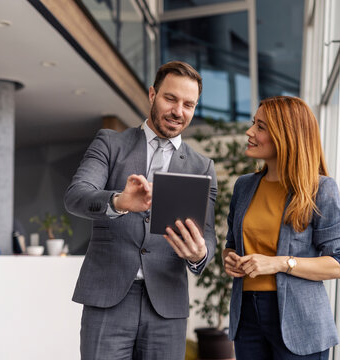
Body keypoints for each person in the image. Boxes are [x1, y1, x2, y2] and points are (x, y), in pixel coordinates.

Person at [64, 60, 217, 360]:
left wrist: (199, 254)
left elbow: (207, 237)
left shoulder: (202, 167)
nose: (178, 111)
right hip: (108, 299)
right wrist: (119, 202)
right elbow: (76, 196)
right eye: (170, 98)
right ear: (152, 95)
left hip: (166, 307)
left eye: (188, 104)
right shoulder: (110, 143)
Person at [223, 96, 340, 359]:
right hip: (246, 316)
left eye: (261, 127)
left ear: (286, 136)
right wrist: (230, 260)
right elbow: (231, 246)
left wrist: (280, 263)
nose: (250, 132)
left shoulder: (321, 189)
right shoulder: (243, 186)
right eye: (253, 124)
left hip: (300, 321)